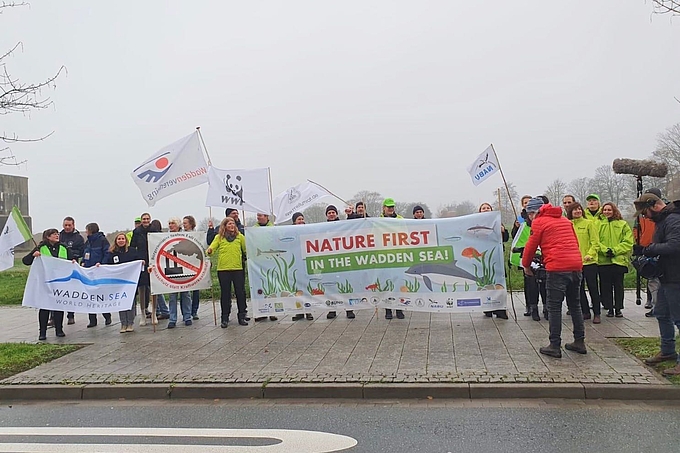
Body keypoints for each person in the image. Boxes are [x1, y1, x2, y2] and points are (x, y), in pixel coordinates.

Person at [521, 198, 586, 359]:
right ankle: (579, 341)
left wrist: (526, 266)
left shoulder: (539, 222)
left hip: (557, 268)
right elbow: (575, 243)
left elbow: (530, 246)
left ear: (533, 212)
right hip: (576, 265)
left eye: (529, 213)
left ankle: (554, 345)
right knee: (575, 304)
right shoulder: (564, 220)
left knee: (554, 307)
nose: (529, 217)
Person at [634, 192, 680, 376]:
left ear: (654, 205)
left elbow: (675, 245)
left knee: (678, 319)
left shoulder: (673, 220)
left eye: (645, 213)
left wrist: (649, 249)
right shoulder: (665, 219)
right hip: (666, 275)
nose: (644, 217)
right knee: (661, 313)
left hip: (676, 277)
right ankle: (668, 350)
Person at [23, 229, 73, 340]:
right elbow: (25, 261)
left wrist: (74, 262)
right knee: (45, 308)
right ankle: (42, 332)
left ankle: (59, 330)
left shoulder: (63, 248)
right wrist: (33, 255)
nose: (57, 235)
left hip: (59, 283)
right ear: (47, 236)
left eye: (57, 234)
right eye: (54, 234)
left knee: (59, 307)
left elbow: (72, 259)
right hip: (45, 284)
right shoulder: (40, 248)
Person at [207, 217, 248, 328]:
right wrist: (209, 251)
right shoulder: (219, 237)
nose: (231, 225)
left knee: (240, 292)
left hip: (237, 269)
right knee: (225, 294)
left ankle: (242, 316)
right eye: (229, 224)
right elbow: (211, 250)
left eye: (233, 223)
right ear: (224, 226)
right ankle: (225, 317)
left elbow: (246, 250)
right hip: (223, 270)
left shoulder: (240, 237)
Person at [511, 197, 547, 320]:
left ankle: (547, 307)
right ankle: (533, 307)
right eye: (530, 213)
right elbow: (517, 241)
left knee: (545, 284)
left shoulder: (546, 223)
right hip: (530, 259)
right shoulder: (524, 225)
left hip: (545, 258)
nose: (532, 215)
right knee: (531, 285)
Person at [597, 202, 634, 318]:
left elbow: (628, 241)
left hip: (618, 260)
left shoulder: (622, 224)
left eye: (609, 210)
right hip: (603, 260)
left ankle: (618, 308)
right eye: (605, 210)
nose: (607, 212)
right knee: (605, 285)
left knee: (618, 285)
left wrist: (614, 250)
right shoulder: (597, 224)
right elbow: (595, 241)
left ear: (614, 211)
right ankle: (609, 308)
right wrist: (605, 250)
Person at [566, 202, 601, 323]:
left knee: (592, 287)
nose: (578, 211)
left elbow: (595, 242)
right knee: (578, 289)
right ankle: (585, 311)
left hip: (589, 262)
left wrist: (589, 255)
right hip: (575, 263)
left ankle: (597, 313)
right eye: (575, 210)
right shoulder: (568, 225)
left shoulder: (589, 224)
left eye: (579, 209)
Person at [634, 188, 662, 317]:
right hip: (646, 246)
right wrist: (638, 243)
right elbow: (636, 228)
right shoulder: (642, 216)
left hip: (657, 248)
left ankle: (659, 306)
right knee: (650, 277)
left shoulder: (662, 217)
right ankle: (654, 303)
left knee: (656, 279)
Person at [479, 202, 509, 320]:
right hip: (484, 257)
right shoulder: (476, 223)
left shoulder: (497, 221)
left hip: (497, 256)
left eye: (488, 208)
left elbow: (505, 238)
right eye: (483, 208)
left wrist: (503, 231)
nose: (486, 209)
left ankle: (500, 308)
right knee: (486, 281)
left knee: (498, 281)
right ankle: (487, 308)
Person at [325, 204, 355, 319]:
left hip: (343, 259)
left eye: (333, 212)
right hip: (329, 260)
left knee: (346, 286)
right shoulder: (322, 227)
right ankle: (332, 309)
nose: (331, 214)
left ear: (336, 214)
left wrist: (351, 214)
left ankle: (349, 309)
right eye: (329, 213)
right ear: (327, 215)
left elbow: (353, 224)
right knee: (331, 286)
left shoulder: (343, 225)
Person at [105, 233, 139, 333]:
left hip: (130, 282)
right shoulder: (112, 253)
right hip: (118, 283)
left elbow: (137, 262)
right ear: (116, 241)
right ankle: (123, 323)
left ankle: (130, 323)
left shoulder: (132, 251)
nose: (121, 240)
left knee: (130, 303)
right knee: (121, 303)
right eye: (119, 239)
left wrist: (141, 263)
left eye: (122, 239)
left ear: (126, 240)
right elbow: (107, 265)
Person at [81, 222, 112, 328]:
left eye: (87, 230)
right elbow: (84, 253)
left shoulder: (102, 240)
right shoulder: (88, 242)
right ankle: (92, 319)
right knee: (90, 296)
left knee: (100, 296)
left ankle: (107, 316)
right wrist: (83, 262)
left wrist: (102, 264)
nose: (86, 232)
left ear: (91, 230)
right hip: (89, 271)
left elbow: (107, 253)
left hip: (99, 271)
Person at [380, 198, 404, 320]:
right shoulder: (377, 221)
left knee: (398, 284)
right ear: (383, 208)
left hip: (398, 256)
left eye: (392, 207)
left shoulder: (400, 220)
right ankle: (388, 309)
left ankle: (399, 309)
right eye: (388, 207)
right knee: (386, 284)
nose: (390, 209)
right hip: (384, 257)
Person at [166, 217, 192, 329]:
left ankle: (187, 317)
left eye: (173, 223)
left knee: (185, 294)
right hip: (170, 269)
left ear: (178, 225)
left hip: (183, 268)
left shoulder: (185, 236)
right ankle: (172, 319)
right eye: (169, 223)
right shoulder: (165, 237)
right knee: (172, 296)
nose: (171, 225)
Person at [59, 216, 84, 325]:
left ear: (73, 225)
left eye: (69, 225)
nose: (67, 227)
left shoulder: (78, 238)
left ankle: (71, 315)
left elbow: (81, 251)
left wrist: (72, 254)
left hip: (72, 267)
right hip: (59, 267)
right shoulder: (59, 236)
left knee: (70, 291)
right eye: (66, 225)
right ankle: (54, 317)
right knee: (57, 291)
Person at [253, 213, 277, 322]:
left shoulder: (273, 228)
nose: (258, 217)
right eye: (257, 216)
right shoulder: (253, 229)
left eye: (261, 215)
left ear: (267, 217)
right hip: (257, 262)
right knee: (259, 287)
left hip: (270, 261)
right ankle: (261, 311)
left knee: (271, 286)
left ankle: (272, 311)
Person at [130, 212, 153, 326]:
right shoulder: (136, 232)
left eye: (147, 219)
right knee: (142, 288)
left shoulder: (154, 230)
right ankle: (143, 314)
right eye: (144, 219)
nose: (145, 221)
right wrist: (136, 259)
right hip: (141, 262)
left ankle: (154, 313)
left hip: (153, 261)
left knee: (153, 288)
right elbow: (132, 246)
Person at [291, 212, 314, 321]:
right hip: (295, 264)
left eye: (302, 219)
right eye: (298, 219)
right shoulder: (290, 233)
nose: (301, 221)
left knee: (307, 287)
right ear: (294, 222)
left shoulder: (308, 230)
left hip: (306, 263)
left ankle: (308, 311)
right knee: (297, 288)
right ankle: (300, 311)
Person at [148, 219, 170, 321]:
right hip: (161, 263)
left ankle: (161, 310)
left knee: (155, 289)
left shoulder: (152, 237)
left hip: (153, 264)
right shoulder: (162, 237)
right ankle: (160, 310)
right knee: (157, 289)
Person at [183, 215, 201, 320]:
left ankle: (194, 311)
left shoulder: (196, 235)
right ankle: (187, 311)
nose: (183, 225)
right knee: (186, 289)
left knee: (195, 289)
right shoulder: (180, 234)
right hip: (184, 264)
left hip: (194, 264)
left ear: (191, 224)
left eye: (185, 223)